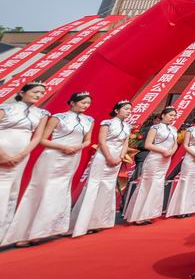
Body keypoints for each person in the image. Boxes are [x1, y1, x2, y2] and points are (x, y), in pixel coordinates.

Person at [2, 91, 94, 246]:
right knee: (41, 189)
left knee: (60, 190)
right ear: (72, 102)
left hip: (73, 157)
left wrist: (78, 147)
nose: (86, 105)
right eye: (83, 102)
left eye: (88, 103)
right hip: (53, 156)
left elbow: (88, 140)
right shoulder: (58, 117)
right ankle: (24, 233)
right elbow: (43, 139)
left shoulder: (89, 120)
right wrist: (63, 147)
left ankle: (46, 230)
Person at [70, 99, 132, 237]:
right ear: (117, 110)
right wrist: (109, 157)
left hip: (117, 158)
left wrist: (120, 157)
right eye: (126, 109)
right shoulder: (107, 123)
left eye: (130, 110)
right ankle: (84, 223)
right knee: (94, 186)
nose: (129, 111)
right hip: (103, 156)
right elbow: (102, 141)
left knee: (108, 188)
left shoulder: (127, 126)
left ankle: (99, 221)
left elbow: (125, 144)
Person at [0, 82, 50, 242]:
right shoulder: (6, 108)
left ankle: (4, 234)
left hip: (22, 155)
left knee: (13, 191)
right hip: (2, 152)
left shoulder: (41, 113)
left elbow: (37, 137)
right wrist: (3, 155)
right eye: (35, 92)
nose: (38, 95)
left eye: (41, 93)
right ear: (22, 93)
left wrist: (22, 154)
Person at [124, 107, 178, 225]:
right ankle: (138, 216)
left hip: (166, 159)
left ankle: (148, 214)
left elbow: (175, 144)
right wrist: (163, 151)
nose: (173, 118)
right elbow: (148, 145)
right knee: (147, 184)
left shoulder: (174, 129)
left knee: (157, 185)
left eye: (174, 116)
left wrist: (171, 152)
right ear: (163, 115)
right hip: (154, 158)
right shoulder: (155, 128)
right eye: (170, 115)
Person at [166, 111, 195, 218]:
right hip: (191, 157)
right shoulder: (190, 130)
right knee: (185, 180)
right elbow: (185, 145)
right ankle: (180, 209)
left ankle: (191, 208)